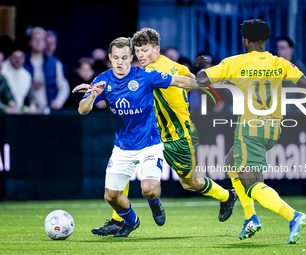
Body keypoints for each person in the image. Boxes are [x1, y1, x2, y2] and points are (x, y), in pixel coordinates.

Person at [74, 28, 238, 236]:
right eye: (138, 51)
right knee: (126, 175)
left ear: (157, 50)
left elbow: (181, 79)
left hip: (178, 134)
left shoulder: (158, 70)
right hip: (153, 134)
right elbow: (185, 73)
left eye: (145, 50)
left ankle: (226, 196)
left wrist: (207, 85)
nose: (141, 55)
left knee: (191, 182)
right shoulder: (148, 68)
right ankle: (120, 220)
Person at [195, 19, 306, 244]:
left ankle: (293, 216)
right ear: (266, 40)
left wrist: (208, 71)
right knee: (231, 164)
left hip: (249, 130)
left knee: (251, 183)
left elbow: (201, 80)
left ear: (247, 40)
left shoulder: (235, 62)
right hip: (273, 131)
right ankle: (251, 218)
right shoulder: (279, 63)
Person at [23, 27, 70, 113]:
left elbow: (64, 86)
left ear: (45, 43)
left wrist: (58, 102)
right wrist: (31, 86)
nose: (38, 42)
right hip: (27, 111)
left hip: (49, 111)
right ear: (29, 42)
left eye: (41, 39)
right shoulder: (23, 62)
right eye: (35, 39)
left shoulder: (55, 64)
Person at [2, 44, 36, 113]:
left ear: (24, 58)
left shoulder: (26, 75)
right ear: (10, 57)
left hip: (19, 113)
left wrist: (32, 104)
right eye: (15, 57)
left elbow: (30, 97)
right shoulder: (2, 70)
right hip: (3, 112)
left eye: (20, 57)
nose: (17, 60)